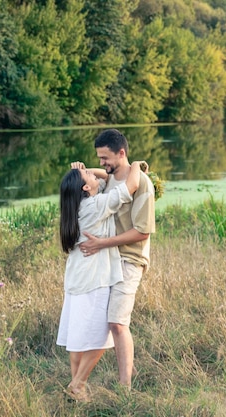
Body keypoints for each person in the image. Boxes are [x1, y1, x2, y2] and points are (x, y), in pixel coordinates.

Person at [56, 160, 143, 402]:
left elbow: (103, 179)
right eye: (88, 175)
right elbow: (131, 185)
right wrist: (135, 163)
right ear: (86, 189)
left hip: (75, 280)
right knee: (99, 338)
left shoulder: (77, 207)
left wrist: (82, 172)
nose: (95, 175)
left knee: (78, 340)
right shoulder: (96, 205)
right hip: (94, 280)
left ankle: (78, 393)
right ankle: (77, 385)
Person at [77, 128, 156, 390]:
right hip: (110, 259)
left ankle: (125, 389)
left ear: (121, 153)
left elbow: (142, 231)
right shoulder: (112, 176)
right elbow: (101, 174)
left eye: (105, 158)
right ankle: (128, 368)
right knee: (109, 321)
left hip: (130, 259)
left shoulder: (141, 183)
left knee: (117, 323)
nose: (102, 163)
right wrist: (83, 169)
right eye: (99, 158)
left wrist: (101, 243)